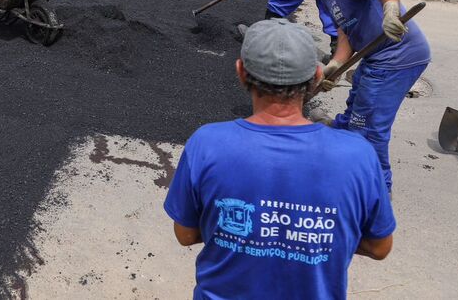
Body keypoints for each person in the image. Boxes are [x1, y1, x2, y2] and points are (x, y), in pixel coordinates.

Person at [165, 18, 395, 300]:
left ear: (241, 72)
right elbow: (380, 247)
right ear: (317, 76)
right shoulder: (357, 155)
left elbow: (185, 234)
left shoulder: (207, 143)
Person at [283, 0, 431, 192]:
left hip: (397, 57)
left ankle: (377, 191)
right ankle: (341, 136)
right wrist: (335, 65)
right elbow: (346, 32)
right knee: (357, 103)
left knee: (370, 126)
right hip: (376, 57)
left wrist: (391, 11)